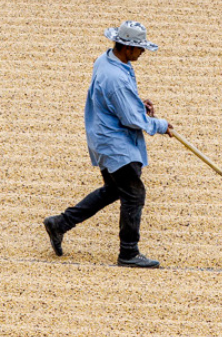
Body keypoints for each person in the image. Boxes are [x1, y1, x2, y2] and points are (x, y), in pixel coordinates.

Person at [44, 20, 172, 268]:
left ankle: (59, 223)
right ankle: (128, 253)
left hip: (103, 137)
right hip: (117, 145)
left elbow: (120, 103)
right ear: (126, 48)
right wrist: (161, 125)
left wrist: (136, 103)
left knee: (114, 190)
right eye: (139, 48)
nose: (142, 52)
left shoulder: (107, 60)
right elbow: (132, 119)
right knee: (134, 195)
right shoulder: (116, 77)